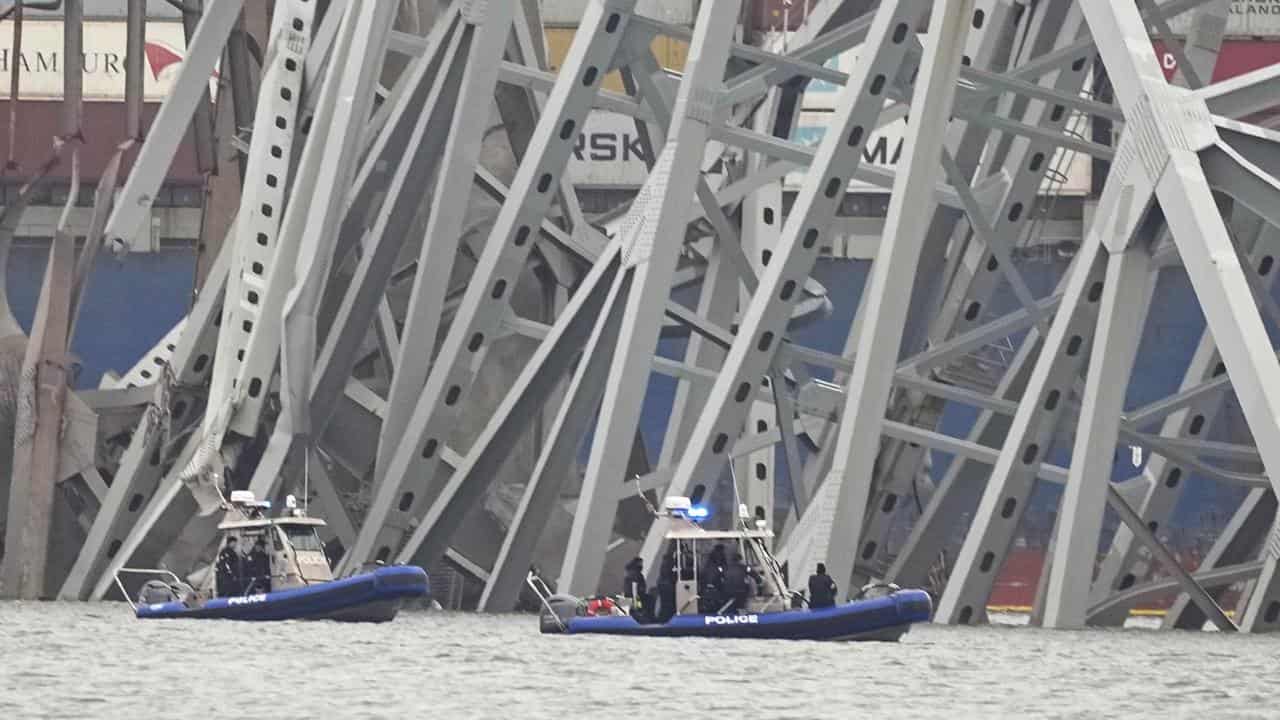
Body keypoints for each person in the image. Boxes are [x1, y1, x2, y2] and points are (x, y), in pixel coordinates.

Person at [700, 543, 727, 613]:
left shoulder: (709, 561)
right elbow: (722, 568)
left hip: (707, 583)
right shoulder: (719, 556)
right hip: (715, 582)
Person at [656, 547, 677, 622]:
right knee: (667, 606)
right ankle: (664, 619)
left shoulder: (665, 564)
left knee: (665, 605)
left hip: (664, 584)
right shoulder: (667, 564)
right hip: (666, 586)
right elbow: (668, 573)